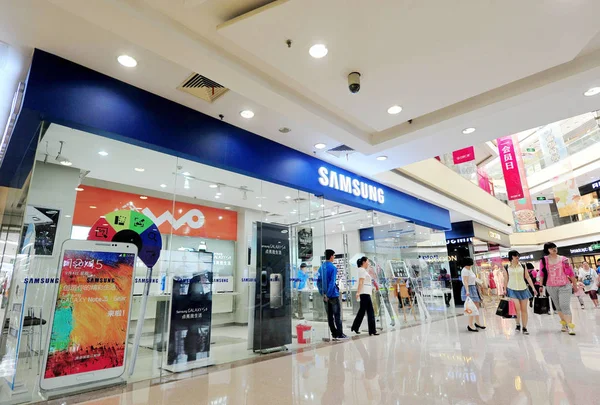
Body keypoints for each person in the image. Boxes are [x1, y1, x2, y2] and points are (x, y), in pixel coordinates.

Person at [538, 242, 578, 335]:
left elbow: (571, 273)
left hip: (564, 285)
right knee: (558, 306)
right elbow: (542, 274)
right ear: (547, 250)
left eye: (554, 247)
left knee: (565, 305)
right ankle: (564, 324)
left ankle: (570, 326)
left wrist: (575, 285)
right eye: (551, 248)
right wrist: (540, 285)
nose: (554, 249)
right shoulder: (544, 260)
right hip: (551, 286)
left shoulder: (564, 259)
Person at [504, 251, 537, 335]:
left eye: (518, 256)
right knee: (517, 309)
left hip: (523, 289)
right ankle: (518, 323)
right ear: (511, 257)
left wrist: (533, 288)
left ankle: (525, 327)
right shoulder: (506, 267)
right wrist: (504, 289)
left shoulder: (523, 265)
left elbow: (528, 277)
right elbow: (505, 279)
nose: (517, 257)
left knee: (524, 310)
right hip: (512, 289)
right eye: (515, 256)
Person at [317, 249, 347, 340]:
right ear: (331, 256)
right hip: (333, 295)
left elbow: (318, 282)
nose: (334, 257)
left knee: (329, 316)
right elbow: (332, 282)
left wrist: (323, 293)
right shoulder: (333, 268)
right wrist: (329, 294)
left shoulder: (321, 267)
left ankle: (334, 333)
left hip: (325, 295)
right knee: (337, 315)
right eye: (334, 256)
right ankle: (340, 334)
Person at [351, 257, 378, 336]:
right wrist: (358, 292)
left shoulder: (363, 270)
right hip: (364, 293)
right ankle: (372, 330)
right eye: (367, 261)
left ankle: (355, 327)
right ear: (363, 262)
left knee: (363, 311)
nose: (368, 263)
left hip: (366, 292)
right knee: (370, 312)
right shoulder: (362, 270)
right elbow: (361, 282)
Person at [461, 257, 486, 332]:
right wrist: (467, 291)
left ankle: (477, 323)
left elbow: (474, 278)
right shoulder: (465, 270)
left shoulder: (470, 269)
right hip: (469, 288)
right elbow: (465, 281)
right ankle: (470, 324)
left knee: (476, 307)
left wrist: (480, 283)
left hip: (473, 288)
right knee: (472, 308)